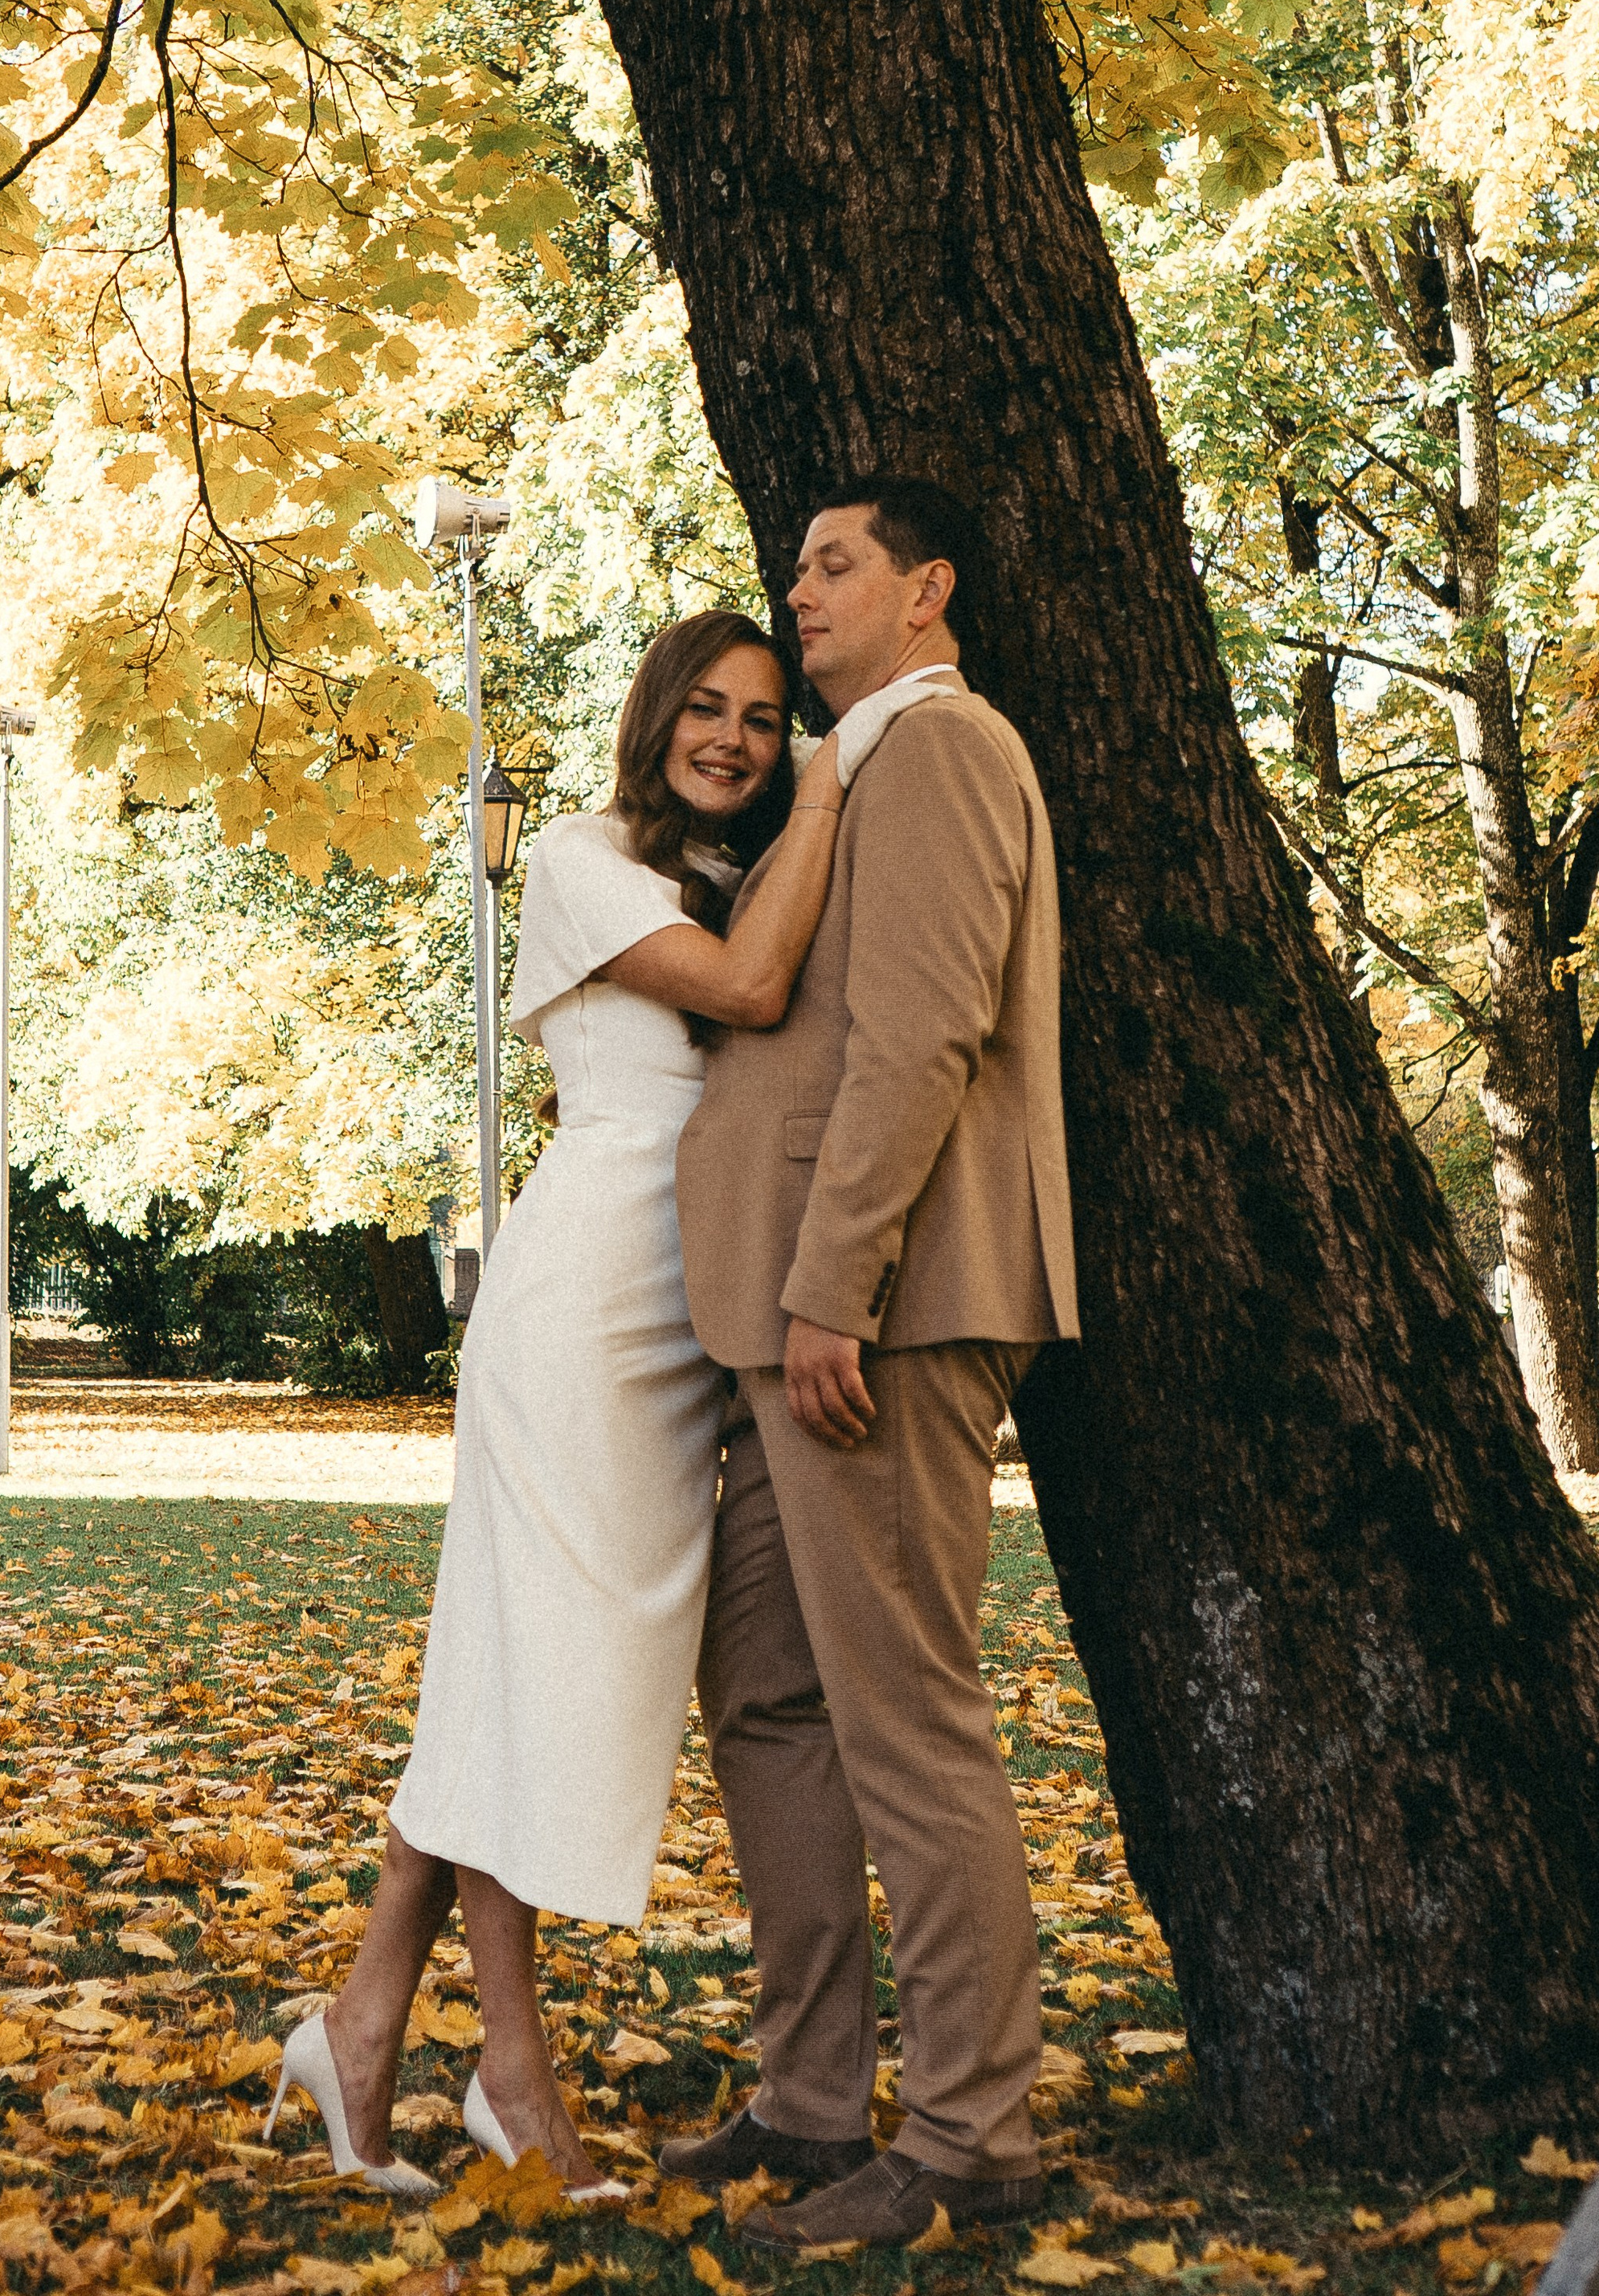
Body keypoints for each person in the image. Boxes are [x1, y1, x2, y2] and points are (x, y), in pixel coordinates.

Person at [264, 609, 869, 2196]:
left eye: (761, 717)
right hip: (582, 1312)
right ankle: (512, 2084)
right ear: (656, 712)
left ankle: (362, 2028)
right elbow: (743, 994)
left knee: (512, 1678)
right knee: (538, 1680)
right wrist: (833, 784)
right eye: (709, 710)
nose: (733, 738)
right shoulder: (580, 858)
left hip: (692, 1328)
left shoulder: (743, 864)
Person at [664, 478, 1080, 2251]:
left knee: (908, 1725)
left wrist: (833, 1282)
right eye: (794, 563)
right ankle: (811, 2098)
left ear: (927, 591)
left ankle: (976, 2138)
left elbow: (922, 1031)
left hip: (879, 1315)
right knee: (761, 1695)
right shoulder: (847, 769)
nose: (799, 587)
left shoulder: (944, 747)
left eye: (835, 563)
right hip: (785, 1325)